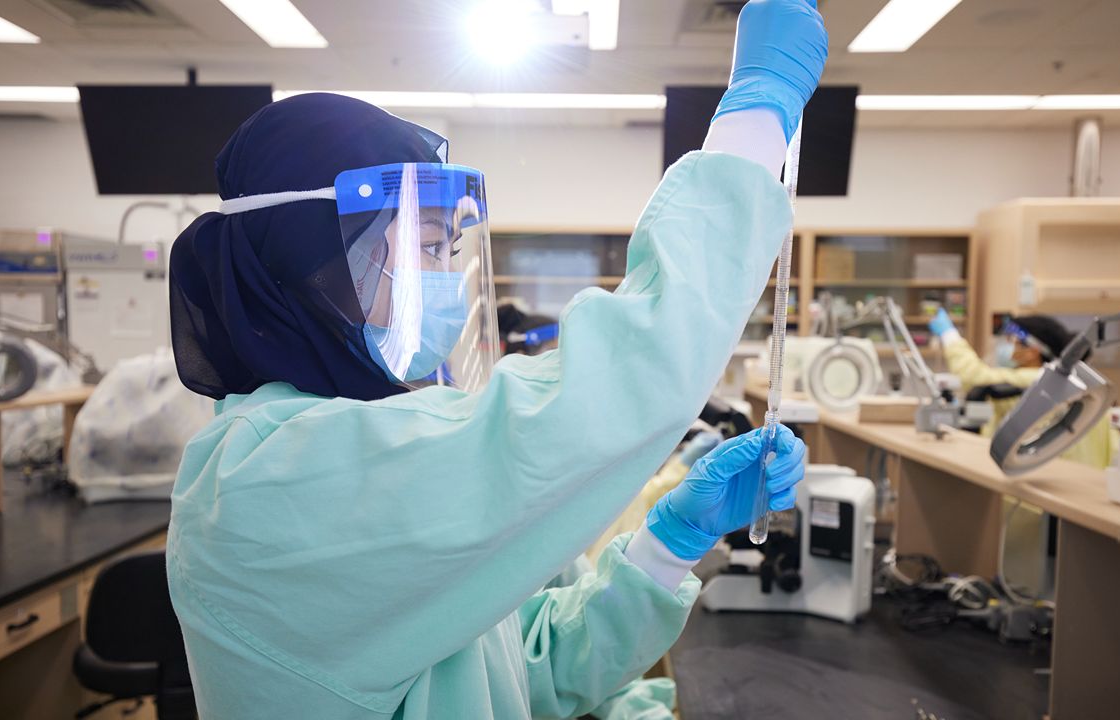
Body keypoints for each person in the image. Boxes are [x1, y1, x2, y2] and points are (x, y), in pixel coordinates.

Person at [165, 1, 826, 717]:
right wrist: (755, 121)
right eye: (425, 246)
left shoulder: (362, 433)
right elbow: (606, 392)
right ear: (309, 263)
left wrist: (669, 544)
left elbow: (528, 668)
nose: (445, 279)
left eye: (450, 250)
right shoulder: (265, 482)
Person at [929, 308, 1116, 468]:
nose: (1004, 346)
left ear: (1032, 351)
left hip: (1055, 477)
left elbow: (974, 377)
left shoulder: (1043, 381)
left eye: (1011, 340)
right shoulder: (1064, 382)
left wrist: (949, 335)